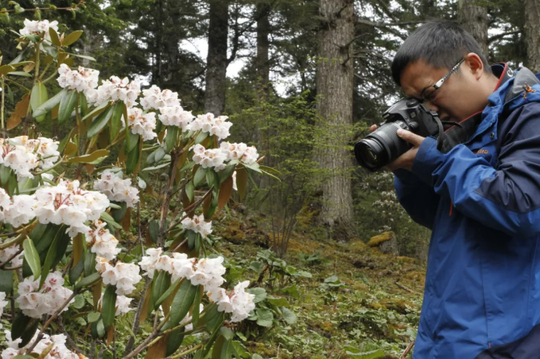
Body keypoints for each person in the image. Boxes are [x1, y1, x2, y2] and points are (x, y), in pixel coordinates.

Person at [382, 21, 540, 358]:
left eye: (430, 93)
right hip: (445, 336)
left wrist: (438, 163)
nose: (430, 110)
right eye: (417, 103)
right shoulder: (462, 130)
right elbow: (439, 217)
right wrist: (411, 171)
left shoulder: (529, 113)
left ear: (472, 65)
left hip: (508, 342)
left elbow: (524, 206)